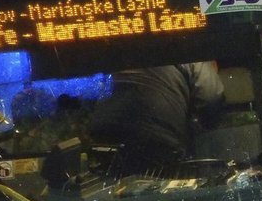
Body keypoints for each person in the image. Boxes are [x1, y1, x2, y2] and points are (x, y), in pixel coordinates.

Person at [88, 62, 226, 173]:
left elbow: (87, 96)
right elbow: (210, 97)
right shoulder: (190, 52)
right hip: (157, 142)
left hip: (103, 137)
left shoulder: (120, 50)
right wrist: (206, 126)